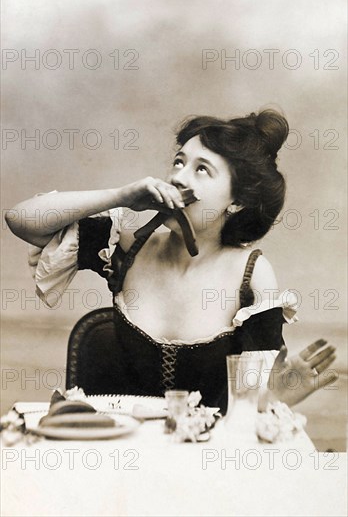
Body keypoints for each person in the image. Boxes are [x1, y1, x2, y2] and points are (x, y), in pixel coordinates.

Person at [6, 109, 337, 414]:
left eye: (201, 169)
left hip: (205, 462)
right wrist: (120, 196)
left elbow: (248, 409)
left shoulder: (250, 274)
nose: (179, 177)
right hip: (117, 454)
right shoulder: (129, 244)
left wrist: (278, 394)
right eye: (178, 162)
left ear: (236, 201)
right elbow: (20, 219)